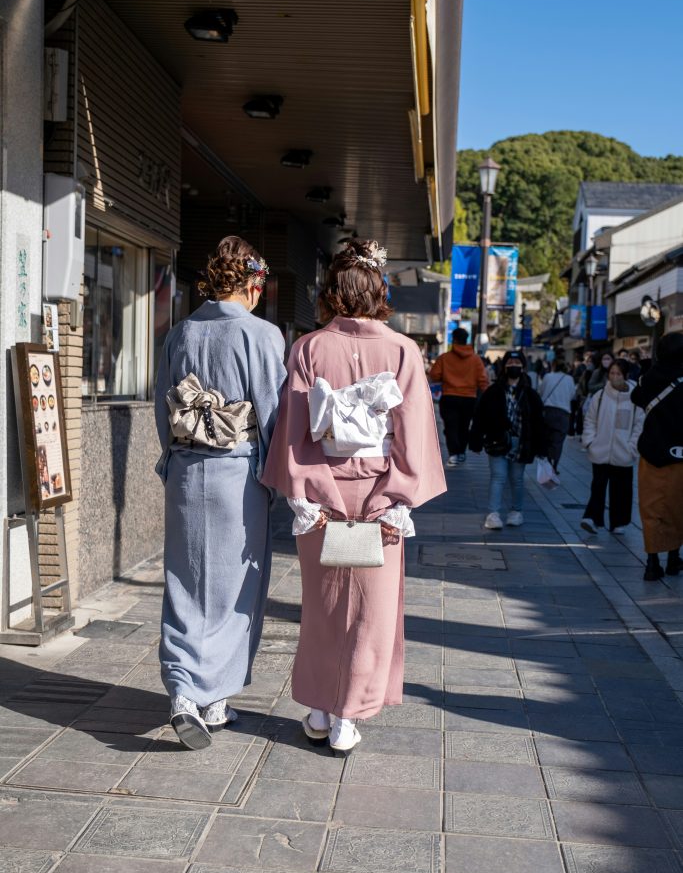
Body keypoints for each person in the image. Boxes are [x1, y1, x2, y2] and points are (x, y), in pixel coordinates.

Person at [262, 239, 446, 755]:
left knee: (322, 606)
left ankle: (321, 709)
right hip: (379, 493)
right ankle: (347, 716)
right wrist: (401, 499)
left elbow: (294, 431)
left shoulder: (308, 348)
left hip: (321, 492)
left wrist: (303, 494)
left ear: (331, 292)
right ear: (378, 291)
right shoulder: (404, 351)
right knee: (372, 609)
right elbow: (414, 433)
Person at [155, 236, 286, 750]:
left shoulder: (181, 332)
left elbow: (162, 404)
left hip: (187, 470)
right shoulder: (261, 334)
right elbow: (273, 412)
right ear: (253, 284)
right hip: (238, 474)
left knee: (185, 582)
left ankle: (193, 693)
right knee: (236, 589)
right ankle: (208, 697)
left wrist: (172, 459)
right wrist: (276, 479)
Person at [469, 350, 546, 530]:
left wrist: (541, 447)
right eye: (510, 363)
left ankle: (516, 512)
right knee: (498, 477)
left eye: (517, 363)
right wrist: (476, 440)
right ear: (504, 367)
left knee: (517, 479)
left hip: (521, 442)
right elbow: (480, 415)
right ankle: (493, 514)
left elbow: (538, 421)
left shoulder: (530, 394)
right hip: (497, 441)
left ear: (523, 367)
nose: (513, 366)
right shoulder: (493, 392)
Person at [631, 333, 683, 580]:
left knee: (651, 508)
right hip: (680, 455)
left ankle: (652, 562)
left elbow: (635, 398)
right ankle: (674, 558)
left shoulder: (650, 378)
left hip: (651, 453)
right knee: (678, 507)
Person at [580, 359, 644, 536]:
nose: (614, 377)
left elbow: (640, 425)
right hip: (600, 450)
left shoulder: (634, 398)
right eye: (612, 373)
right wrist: (590, 442)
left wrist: (632, 447)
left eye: (618, 374)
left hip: (624, 452)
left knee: (621, 489)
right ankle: (592, 519)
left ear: (626, 376)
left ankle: (619, 521)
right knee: (598, 486)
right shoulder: (600, 396)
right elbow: (590, 420)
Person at [429, 328, 489, 467]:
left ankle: (454, 453)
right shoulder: (475, 359)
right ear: (466, 340)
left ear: (454, 339)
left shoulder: (444, 358)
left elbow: (434, 375)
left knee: (451, 426)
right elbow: (482, 380)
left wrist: (447, 376)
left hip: (449, 396)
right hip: (469, 398)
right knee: (464, 426)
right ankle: (461, 452)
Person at [539, 360, 575, 470]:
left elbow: (541, 392)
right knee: (558, 441)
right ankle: (554, 465)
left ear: (553, 365)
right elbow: (572, 395)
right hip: (563, 413)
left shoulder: (547, 377)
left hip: (548, 411)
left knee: (547, 438)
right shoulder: (569, 379)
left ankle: (548, 461)